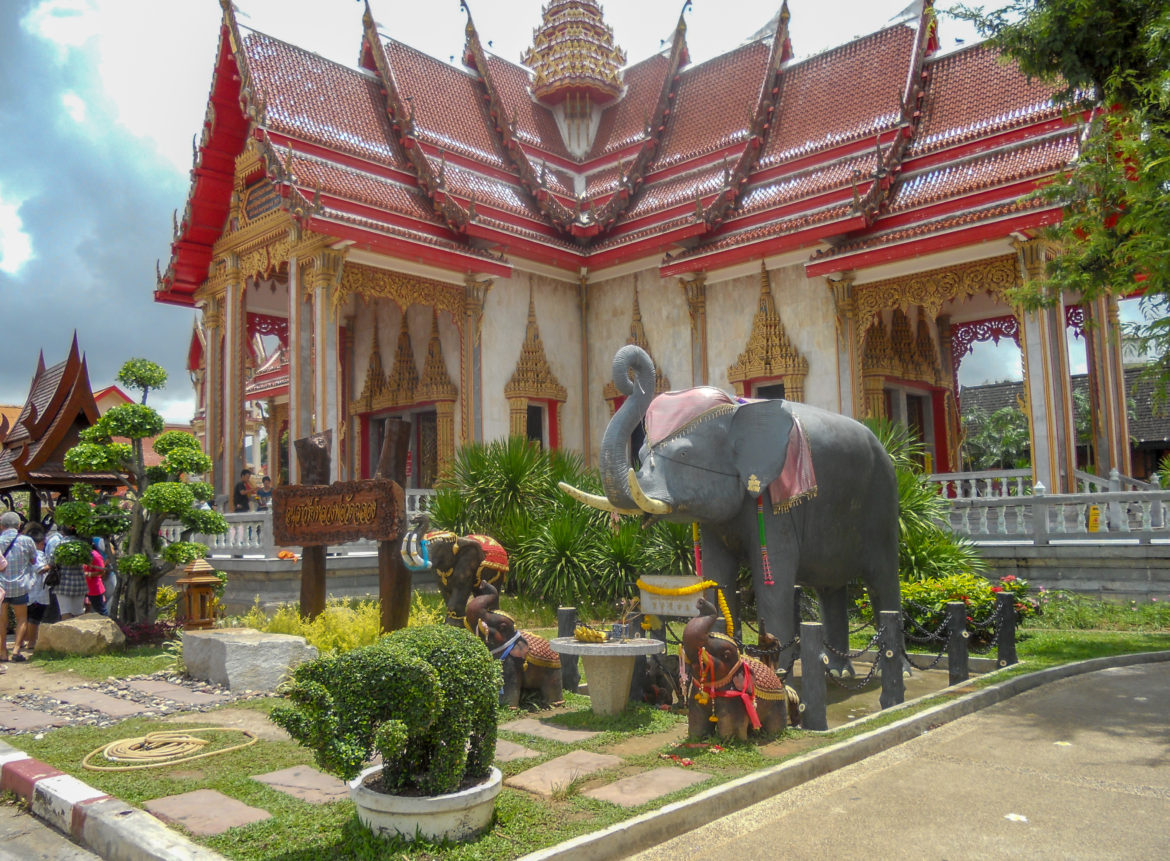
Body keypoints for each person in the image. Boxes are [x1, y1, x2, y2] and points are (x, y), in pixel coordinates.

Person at [0, 511, 37, 662]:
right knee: (22, 619)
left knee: (1, 620)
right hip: (20, 585)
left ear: (1, 526)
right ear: (19, 525)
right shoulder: (27, 541)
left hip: (1, 588)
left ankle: (2, 651)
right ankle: (16, 650)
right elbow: (34, 560)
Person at [21, 523, 48, 655]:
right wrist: (53, 565)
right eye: (43, 544)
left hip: (28, 589)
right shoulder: (37, 554)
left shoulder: (24, 552)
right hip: (36, 591)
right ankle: (31, 642)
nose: (44, 546)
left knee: (24, 617)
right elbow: (41, 569)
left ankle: (23, 640)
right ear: (38, 543)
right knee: (34, 618)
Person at [51, 526, 88, 621]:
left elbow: (52, 561)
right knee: (79, 612)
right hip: (80, 583)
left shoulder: (59, 544)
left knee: (65, 612)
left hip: (63, 583)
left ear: (63, 531)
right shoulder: (83, 545)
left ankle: (68, 634)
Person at [83, 539, 107, 616]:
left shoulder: (95, 556)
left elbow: (102, 571)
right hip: (88, 587)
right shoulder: (86, 555)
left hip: (95, 588)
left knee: (101, 610)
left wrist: (89, 574)